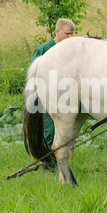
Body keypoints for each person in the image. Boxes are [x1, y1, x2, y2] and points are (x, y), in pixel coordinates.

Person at [30, 18, 75, 148]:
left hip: (67, 96)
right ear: (57, 31)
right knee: (49, 130)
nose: (70, 37)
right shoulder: (44, 49)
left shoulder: (71, 51)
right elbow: (34, 73)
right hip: (48, 96)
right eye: (67, 34)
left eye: (72, 34)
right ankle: (47, 160)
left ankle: (60, 157)